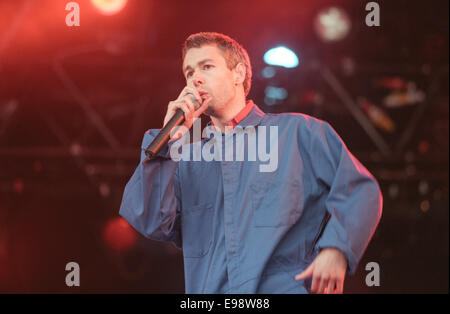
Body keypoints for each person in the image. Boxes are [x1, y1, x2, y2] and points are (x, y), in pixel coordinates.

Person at [119, 32, 383, 294]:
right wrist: (166, 146)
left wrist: (336, 248)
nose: (195, 78)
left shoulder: (298, 133)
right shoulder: (185, 159)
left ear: (238, 73)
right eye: (189, 72)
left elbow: (359, 189)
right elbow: (150, 220)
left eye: (206, 66)